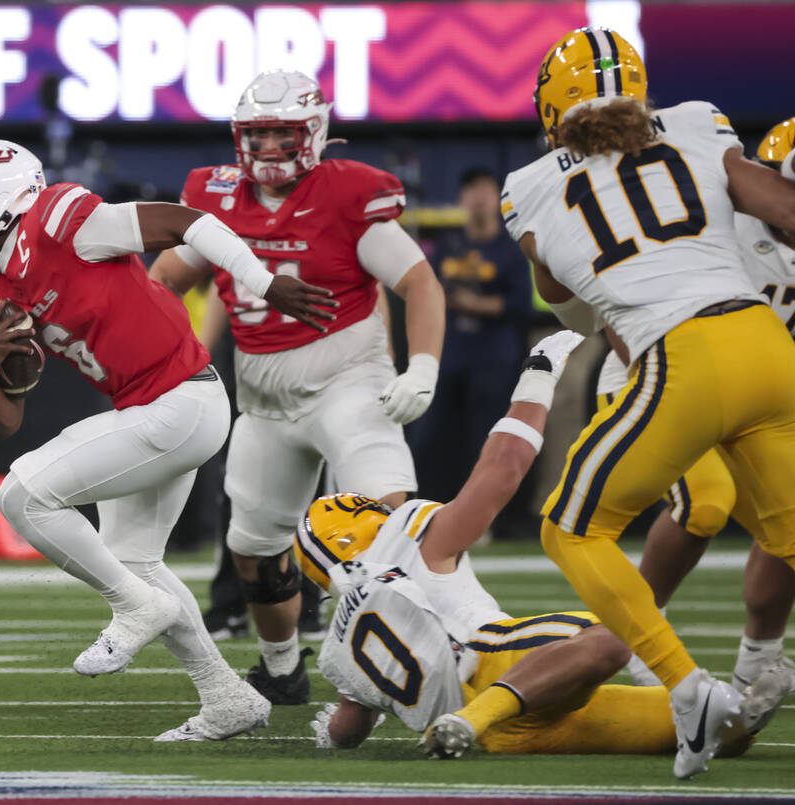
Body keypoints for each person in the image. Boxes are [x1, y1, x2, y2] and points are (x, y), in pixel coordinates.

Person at [0, 138, 334, 741]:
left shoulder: (59, 218)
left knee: (22, 496)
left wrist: (261, 281)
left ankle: (133, 605)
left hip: (182, 400)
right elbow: (2, 422)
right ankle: (226, 698)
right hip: (151, 411)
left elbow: (188, 221)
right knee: (136, 563)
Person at [501, 28, 795, 777]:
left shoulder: (527, 188)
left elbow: (560, 291)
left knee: (571, 525)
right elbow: (779, 206)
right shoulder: (698, 120)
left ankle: (686, 684)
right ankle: (742, 666)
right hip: (768, 346)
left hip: (683, 357)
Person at [295, 332, 779, 756]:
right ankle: (475, 717)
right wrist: (538, 377)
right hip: (498, 663)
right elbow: (503, 469)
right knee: (619, 629)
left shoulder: (340, 640)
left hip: (510, 734)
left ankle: (730, 706)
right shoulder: (409, 534)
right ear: (359, 521)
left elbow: (348, 727)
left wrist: (331, 738)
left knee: (725, 731)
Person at [149, 69, 445, 706]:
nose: (270, 149)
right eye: (258, 135)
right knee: (253, 550)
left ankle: (431, 652)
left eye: (283, 134)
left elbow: (419, 282)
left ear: (314, 133)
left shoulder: (348, 193)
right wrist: (162, 344)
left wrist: (421, 367)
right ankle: (282, 669)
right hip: (264, 397)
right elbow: (166, 275)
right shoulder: (216, 196)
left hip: (348, 377)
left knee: (386, 522)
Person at [594, 119, 795, 699]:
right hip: (661, 376)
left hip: (757, 393)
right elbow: (622, 301)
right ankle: (633, 636)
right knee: (704, 504)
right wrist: (658, 373)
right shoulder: (714, 220)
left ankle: (761, 657)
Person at [410, 168, 532, 502]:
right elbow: (427, 292)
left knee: (488, 437)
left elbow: (520, 304)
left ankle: (490, 512)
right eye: (471, 192)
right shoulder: (447, 244)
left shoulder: (512, 248)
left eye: (485, 191)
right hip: (449, 355)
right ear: (462, 198)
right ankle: (422, 505)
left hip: (494, 357)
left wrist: (472, 303)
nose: (478, 200)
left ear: (498, 199)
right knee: (431, 436)